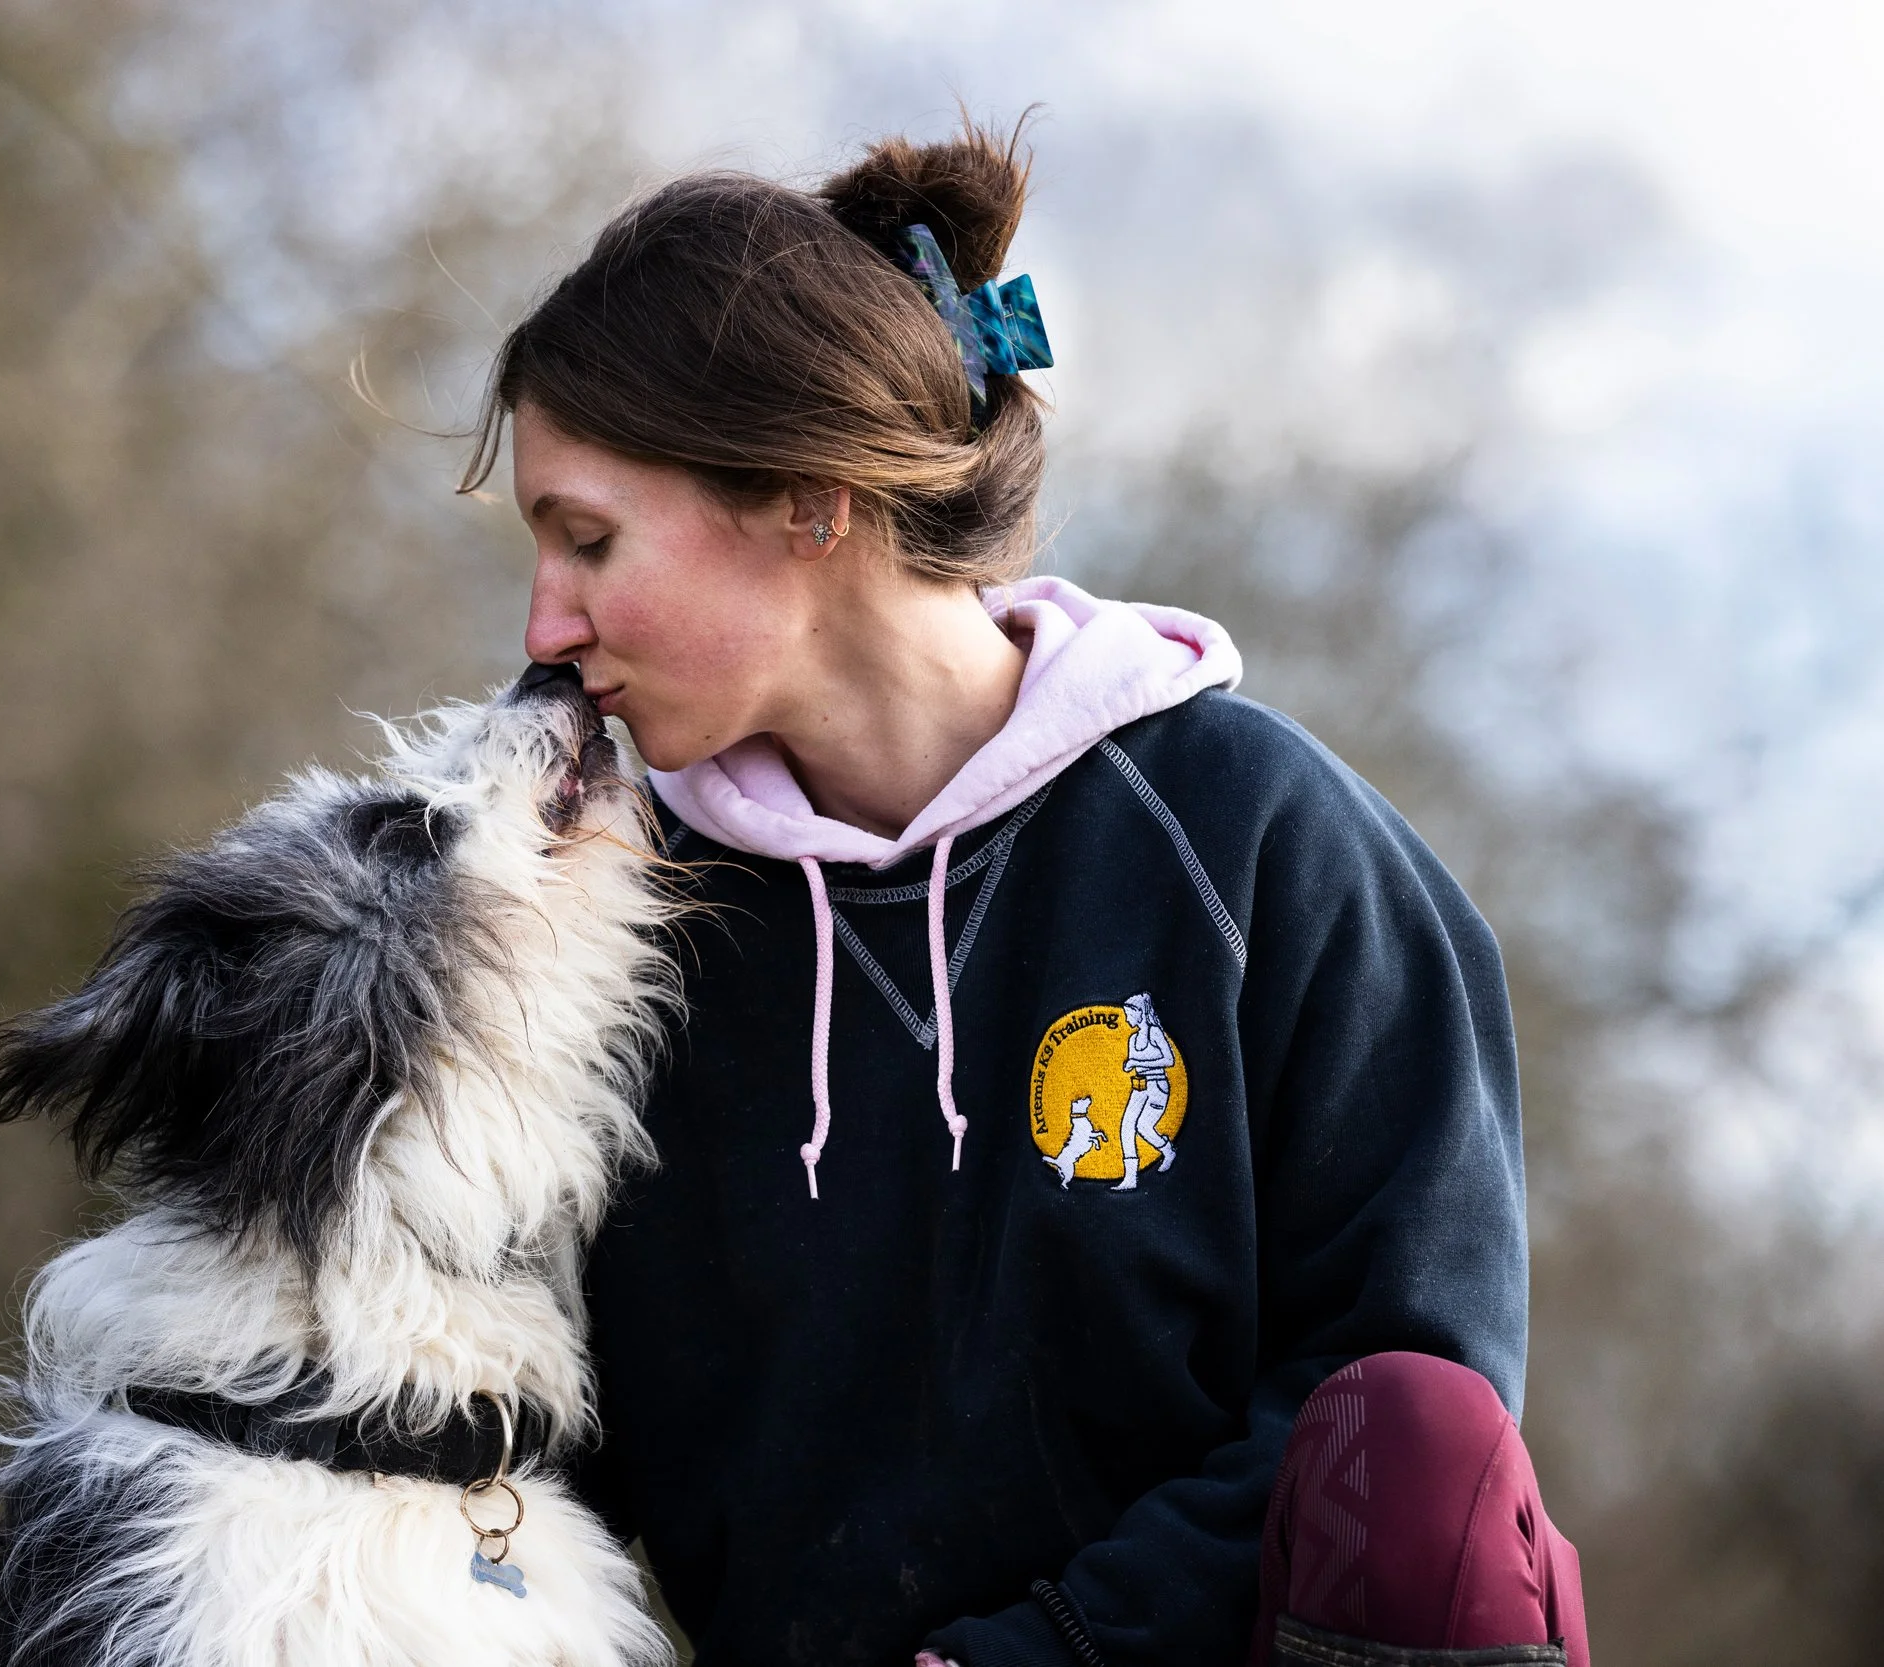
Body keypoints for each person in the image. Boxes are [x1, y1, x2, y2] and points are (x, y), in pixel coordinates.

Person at [466, 122, 1590, 1667]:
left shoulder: (1260, 845)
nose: (547, 621)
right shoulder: (596, 929)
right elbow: (514, 1441)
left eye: (588, 538)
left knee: (1416, 1434)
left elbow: (1415, 1399)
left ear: (809, 495)